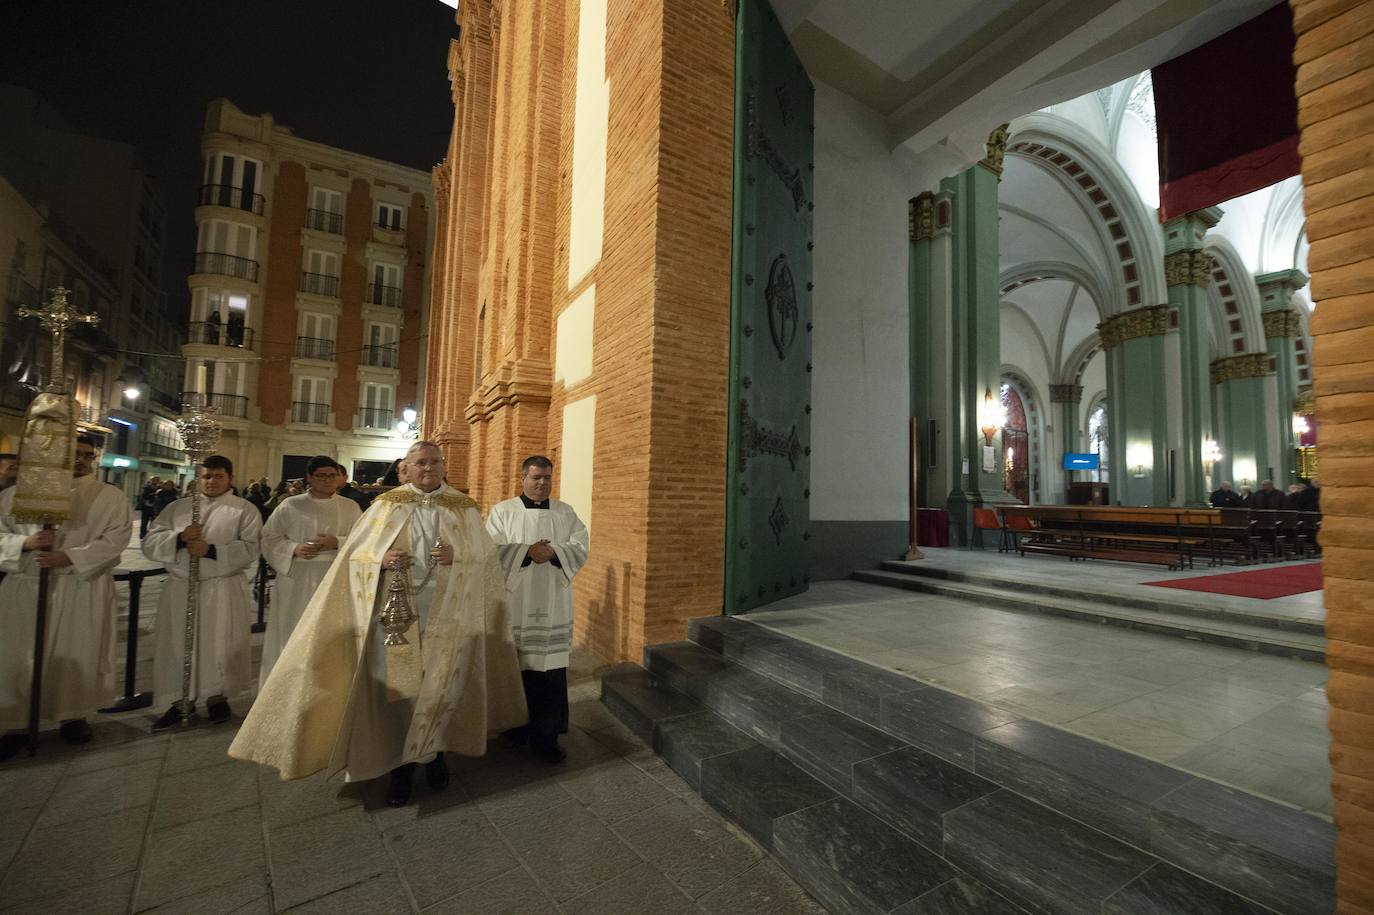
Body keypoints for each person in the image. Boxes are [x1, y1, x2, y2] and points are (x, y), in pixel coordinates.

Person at [229, 441, 527, 807]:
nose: (429, 468)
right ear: (407, 466)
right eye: (421, 462)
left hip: (447, 613)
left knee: (442, 686)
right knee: (399, 690)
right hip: (397, 615)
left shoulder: (463, 507)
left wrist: (459, 554)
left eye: (435, 462)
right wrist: (380, 558)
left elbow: (487, 558)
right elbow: (355, 552)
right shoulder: (387, 505)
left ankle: (434, 757)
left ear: (443, 465)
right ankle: (400, 766)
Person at [0, 434, 133, 758]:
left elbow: (116, 539)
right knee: (19, 654)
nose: (80, 460)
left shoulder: (110, 497)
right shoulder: (16, 495)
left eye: (87, 455)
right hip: (27, 584)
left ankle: (73, 716)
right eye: (73, 453)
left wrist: (71, 556)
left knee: (78, 650)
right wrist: (24, 544)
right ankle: (16, 722)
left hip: (80, 586)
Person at [144, 455, 262, 730]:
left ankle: (216, 696)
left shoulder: (244, 510)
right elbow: (150, 541)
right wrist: (178, 539)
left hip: (221, 587)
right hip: (181, 585)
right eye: (206, 476)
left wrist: (210, 551)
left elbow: (251, 548)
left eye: (218, 476)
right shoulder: (177, 508)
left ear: (230, 478)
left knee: (219, 642)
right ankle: (179, 699)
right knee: (177, 643)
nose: (211, 482)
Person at [486, 455, 590, 764]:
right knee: (517, 667)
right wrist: (526, 552)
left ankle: (548, 736)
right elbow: (490, 550)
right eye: (535, 478)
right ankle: (514, 729)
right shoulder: (502, 512)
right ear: (523, 478)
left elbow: (581, 546)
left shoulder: (565, 512)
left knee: (550, 670)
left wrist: (554, 552)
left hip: (553, 602)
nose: (542, 483)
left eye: (546, 478)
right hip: (515, 600)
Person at [258, 456, 361, 687]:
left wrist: (337, 542)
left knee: (328, 633)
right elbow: (269, 537)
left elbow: (364, 541)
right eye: (321, 476)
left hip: (334, 575)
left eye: (332, 475)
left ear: (339, 477)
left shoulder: (350, 507)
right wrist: (295, 548)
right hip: (297, 577)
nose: (327, 480)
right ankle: (285, 686)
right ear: (309, 478)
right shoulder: (290, 505)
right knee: (293, 629)